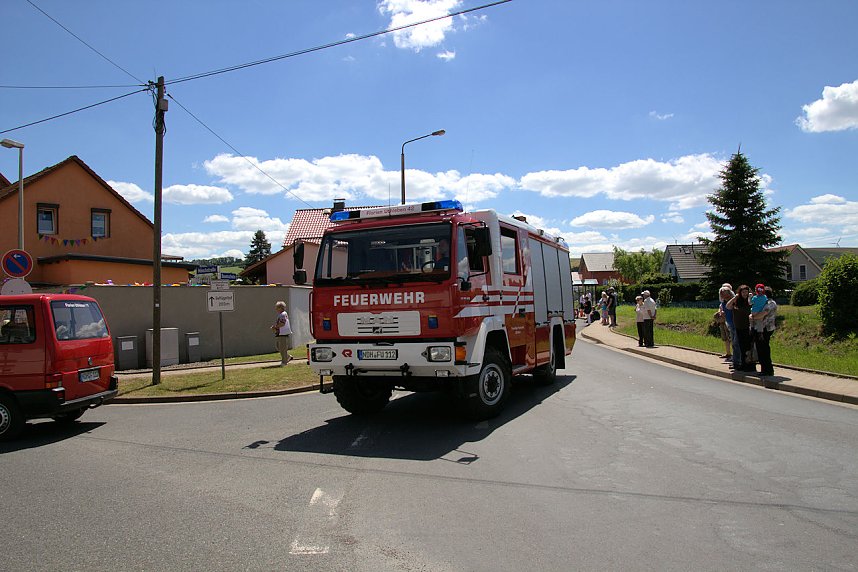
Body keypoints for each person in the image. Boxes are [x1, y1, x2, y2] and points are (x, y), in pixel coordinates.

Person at [727, 285, 754, 372]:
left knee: (748, 347)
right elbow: (728, 306)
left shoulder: (750, 301)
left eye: (746, 292)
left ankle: (749, 365)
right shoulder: (737, 302)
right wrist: (735, 297)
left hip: (748, 327)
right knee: (741, 347)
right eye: (743, 292)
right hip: (738, 327)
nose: (745, 294)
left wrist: (751, 297)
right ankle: (742, 364)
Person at [752, 286, 778, 377]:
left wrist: (753, 317)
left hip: (766, 329)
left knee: (764, 349)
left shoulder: (770, 303)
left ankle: (768, 370)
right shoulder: (763, 302)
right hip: (760, 329)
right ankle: (763, 369)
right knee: (760, 349)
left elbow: (763, 314)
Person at [271, 301, 293, 366]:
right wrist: (275, 328)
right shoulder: (281, 314)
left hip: (283, 333)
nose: (276, 309)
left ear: (280, 308)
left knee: (283, 348)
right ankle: (287, 356)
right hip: (280, 333)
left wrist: (275, 327)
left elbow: (282, 324)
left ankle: (284, 362)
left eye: (277, 307)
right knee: (279, 347)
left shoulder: (283, 314)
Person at [717, 285, 733, 360]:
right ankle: (728, 353)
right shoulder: (723, 303)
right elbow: (721, 310)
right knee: (726, 338)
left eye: (724, 293)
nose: (723, 295)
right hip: (726, 322)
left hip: (734, 323)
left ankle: (734, 357)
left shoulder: (733, 301)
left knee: (734, 340)